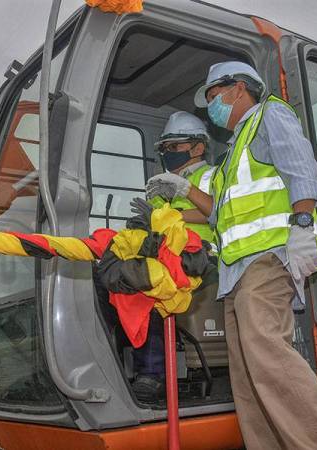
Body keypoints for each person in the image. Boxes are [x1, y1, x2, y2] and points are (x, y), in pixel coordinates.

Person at [145, 61, 317, 449]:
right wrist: (181, 191)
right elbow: (218, 213)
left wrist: (301, 225)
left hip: (268, 258)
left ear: (238, 88)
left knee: (268, 356)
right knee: (246, 373)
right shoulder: (234, 150)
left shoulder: (270, 115)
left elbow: (301, 168)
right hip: (237, 270)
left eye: (213, 97)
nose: (212, 108)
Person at [129, 111, 218, 402]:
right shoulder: (160, 185)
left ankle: (153, 374)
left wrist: (175, 212)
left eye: (175, 146)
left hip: (202, 255)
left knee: (151, 287)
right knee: (118, 278)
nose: (168, 153)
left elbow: (217, 211)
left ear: (198, 147)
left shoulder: (212, 176)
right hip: (167, 254)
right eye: (165, 148)